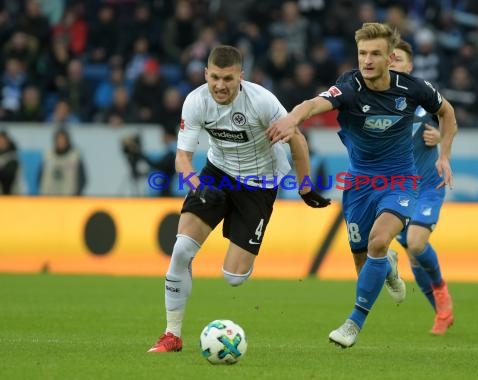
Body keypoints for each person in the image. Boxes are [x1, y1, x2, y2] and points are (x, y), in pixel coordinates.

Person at [267, 23, 458, 348]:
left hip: (400, 180)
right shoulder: (350, 88)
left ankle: (353, 324)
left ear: (389, 57)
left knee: (380, 241)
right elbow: (314, 103)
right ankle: (388, 268)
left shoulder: (413, 88)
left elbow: (448, 113)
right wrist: (291, 118)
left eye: (375, 54)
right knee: (364, 260)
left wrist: (444, 154)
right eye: (362, 54)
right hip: (358, 184)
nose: (367, 61)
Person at [147, 45, 330, 353]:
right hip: (217, 172)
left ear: (240, 77)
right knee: (180, 250)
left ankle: (243, 235)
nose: (220, 85)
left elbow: (297, 138)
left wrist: (305, 187)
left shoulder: (262, 101)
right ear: (205, 73)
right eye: (215, 77)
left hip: (260, 183)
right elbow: (182, 158)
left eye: (228, 79)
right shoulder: (195, 101)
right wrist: (195, 184)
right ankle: (172, 335)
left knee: (233, 277)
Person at [389, 40, 454, 335]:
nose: (392, 63)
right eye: (389, 58)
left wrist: (441, 141)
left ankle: (441, 291)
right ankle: (441, 313)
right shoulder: (375, 99)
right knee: (413, 254)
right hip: (398, 189)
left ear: (409, 66)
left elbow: (449, 119)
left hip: (428, 184)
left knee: (416, 243)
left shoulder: (421, 92)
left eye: (398, 59)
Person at [39, 128, 87, 196]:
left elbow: (82, 179)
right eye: (59, 140)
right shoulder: (48, 156)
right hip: (49, 199)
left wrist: (77, 195)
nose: (61, 142)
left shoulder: (74, 157)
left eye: (63, 140)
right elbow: (40, 177)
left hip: (69, 199)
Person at [0, 130, 20, 195]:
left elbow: (10, 174)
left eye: (3, 140)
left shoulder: (13, 156)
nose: (1, 142)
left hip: (12, 192)